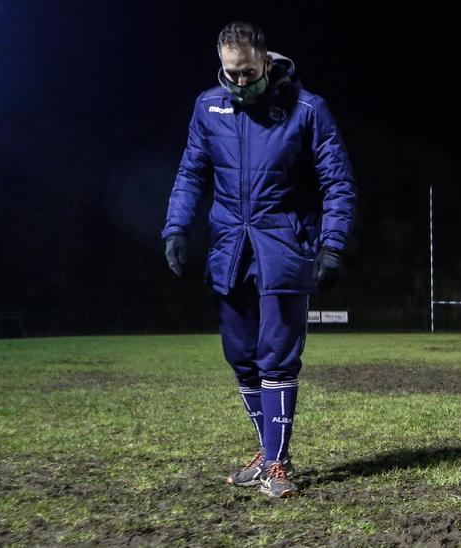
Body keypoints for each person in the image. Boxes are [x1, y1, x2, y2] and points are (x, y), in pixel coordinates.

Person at [161, 21, 356, 498]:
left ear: (266, 62)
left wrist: (332, 245)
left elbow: (338, 182)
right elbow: (191, 172)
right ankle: (270, 452)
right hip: (229, 250)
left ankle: (277, 466)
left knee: (277, 358)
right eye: (231, 74)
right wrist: (176, 228)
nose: (240, 82)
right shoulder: (208, 106)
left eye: (248, 72)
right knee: (242, 359)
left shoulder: (308, 110)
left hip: (285, 250)